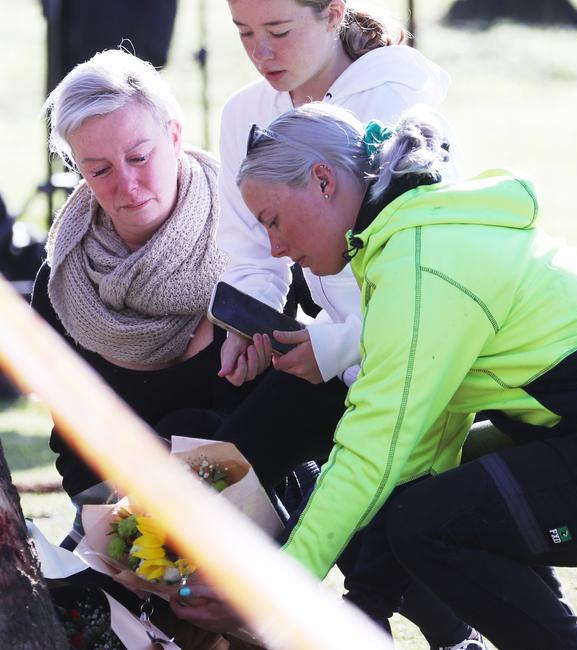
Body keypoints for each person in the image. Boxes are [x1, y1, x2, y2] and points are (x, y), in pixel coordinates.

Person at [177, 101, 577, 650]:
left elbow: (372, 450)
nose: (276, 247)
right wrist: (365, 609)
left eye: (273, 221)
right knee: (437, 506)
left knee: (436, 523)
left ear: (324, 181)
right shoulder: (412, 238)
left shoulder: (422, 263)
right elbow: (419, 452)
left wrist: (276, 591)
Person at [188, 2, 475, 646]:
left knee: (386, 507)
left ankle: (454, 633)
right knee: (227, 459)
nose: (261, 52)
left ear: (333, 14)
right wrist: (248, 327)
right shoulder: (244, 113)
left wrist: (335, 343)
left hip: (415, 349)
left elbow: (435, 265)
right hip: (324, 346)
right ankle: (175, 610)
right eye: (243, 34)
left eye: (279, 31)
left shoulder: (398, 96)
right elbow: (251, 250)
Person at [33, 48, 261, 533]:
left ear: (174, 135)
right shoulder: (62, 283)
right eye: (99, 170)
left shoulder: (255, 238)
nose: (127, 184)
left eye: (139, 156)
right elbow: (75, 445)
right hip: (124, 518)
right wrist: (119, 531)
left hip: (258, 501)